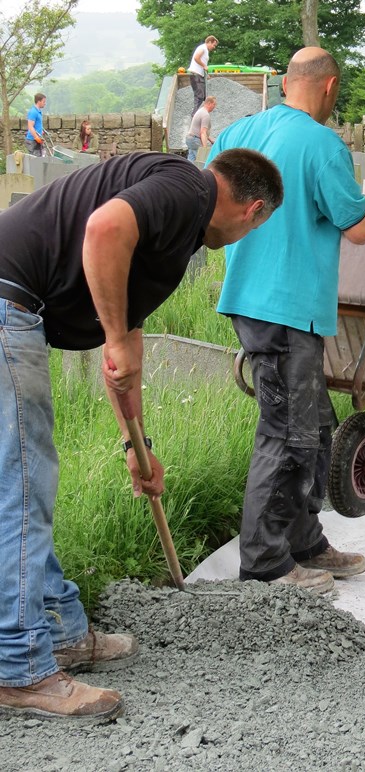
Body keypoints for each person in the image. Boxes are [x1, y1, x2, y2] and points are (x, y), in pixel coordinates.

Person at [0, 149, 283, 721]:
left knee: (29, 482)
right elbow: (104, 230)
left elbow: (124, 347)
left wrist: (138, 447)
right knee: (22, 488)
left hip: (13, 306)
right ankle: (17, 667)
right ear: (253, 210)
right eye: (257, 226)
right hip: (7, 304)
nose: (243, 235)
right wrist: (112, 336)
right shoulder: (187, 190)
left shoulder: (171, 226)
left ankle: (61, 632)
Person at [207, 47, 365, 593]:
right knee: (287, 433)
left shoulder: (238, 133)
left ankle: (306, 541)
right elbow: (358, 230)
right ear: (329, 85)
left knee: (315, 426)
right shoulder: (323, 145)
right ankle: (266, 564)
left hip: (253, 299)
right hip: (286, 308)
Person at [188, 35, 218, 115]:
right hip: (196, 75)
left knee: (202, 96)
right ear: (209, 42)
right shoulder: (203, 48)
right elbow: (196, 57)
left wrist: (206, 74)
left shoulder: (206, 50)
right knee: (200, 97)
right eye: (213, 45)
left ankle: (197, 114)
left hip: (199, 75)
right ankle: (195, 115)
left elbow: (202, 64)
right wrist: (204, 66)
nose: (214, 47)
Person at [186, 96, 216, 162]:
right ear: (209, 103)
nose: (215, 106)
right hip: (195, 140)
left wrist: (211, 140)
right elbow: (203, 132)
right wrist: (204, 148)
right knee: (202, 160)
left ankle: (187, 171)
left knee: (191, 160)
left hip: (190, 139)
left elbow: (201, 130)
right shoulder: (205, 115)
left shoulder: (200, 111)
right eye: (214, 104)